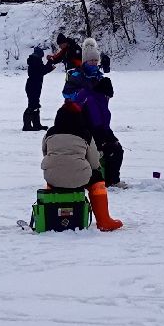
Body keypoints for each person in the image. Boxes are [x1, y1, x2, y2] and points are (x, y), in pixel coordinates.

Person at [41, 88, 123, 231]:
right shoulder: (85, 134)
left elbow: (45, 152)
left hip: (52, 178)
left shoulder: (50, 133)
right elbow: (94, 162)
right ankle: (104, 221)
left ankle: (50, 217)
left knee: (54, 175)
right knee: (97, 180)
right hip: (79, 178)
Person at [68, 38, 123, 185]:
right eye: (90, 60)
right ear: (84, 61)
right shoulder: (77, 75)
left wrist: (107, 94)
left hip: (102, 122)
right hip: (85, 123)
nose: (93, 63)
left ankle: (113, 180)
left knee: (117, 149)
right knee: (95, 153)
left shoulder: (100, 77)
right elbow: (68, 94)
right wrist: (85, 94)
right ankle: (93, 181)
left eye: (95, 60)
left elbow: (104, 101)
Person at [23, 44, 55, 131]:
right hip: (33, 85)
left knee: (35, 104)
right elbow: (42, 70)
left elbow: (42, 71)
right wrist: (50, 62)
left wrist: (49, 65)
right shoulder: (35, 61)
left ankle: (36, 125)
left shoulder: (34, 60)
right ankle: (27, 126)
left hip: (34, 85)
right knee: (33, 105)